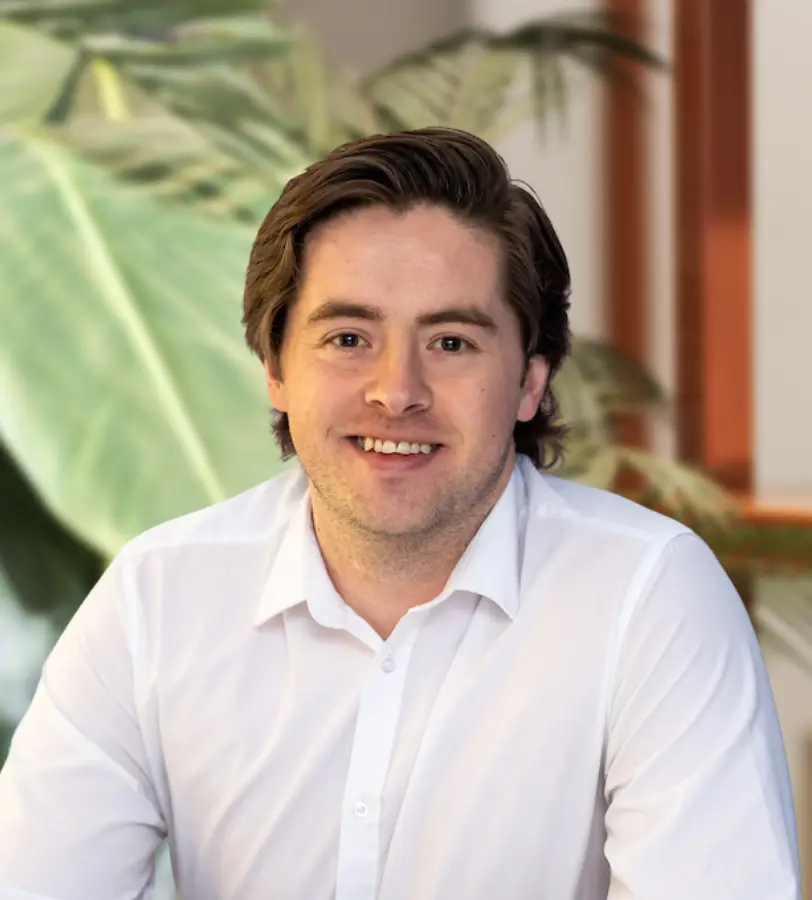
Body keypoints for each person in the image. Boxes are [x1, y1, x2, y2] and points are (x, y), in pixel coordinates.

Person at [0, 127, 800, 900]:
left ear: (529, 380)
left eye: (451, 342)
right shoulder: (157, 595)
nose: (397, 391)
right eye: (349, 338)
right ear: (276, 367)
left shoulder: (649, 596)